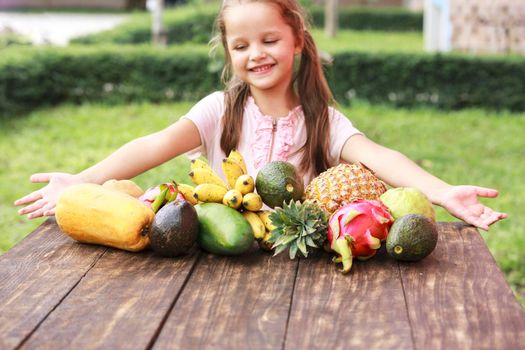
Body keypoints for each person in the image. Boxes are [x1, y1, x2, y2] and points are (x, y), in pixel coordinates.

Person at [15, 0, 506, 231]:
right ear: (228, 54)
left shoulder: (324, 121)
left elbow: (380, 157)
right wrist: (80, 180)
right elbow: (151, 146)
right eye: (241, 45)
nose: (257, 54)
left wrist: (441, 192)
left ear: (296, 41)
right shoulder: (218, 110)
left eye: (269, 40)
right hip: (217, 254)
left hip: (299, 259)